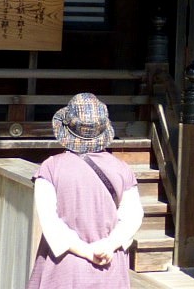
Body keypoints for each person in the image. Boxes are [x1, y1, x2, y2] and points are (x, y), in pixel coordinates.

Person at [29, 92, 143, 289]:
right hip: (109, 268)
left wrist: (86, 251)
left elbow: (50, 223)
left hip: (64, 268)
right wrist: (108, 245)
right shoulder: (122, 169)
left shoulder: (50, 168)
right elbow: (133, 217)